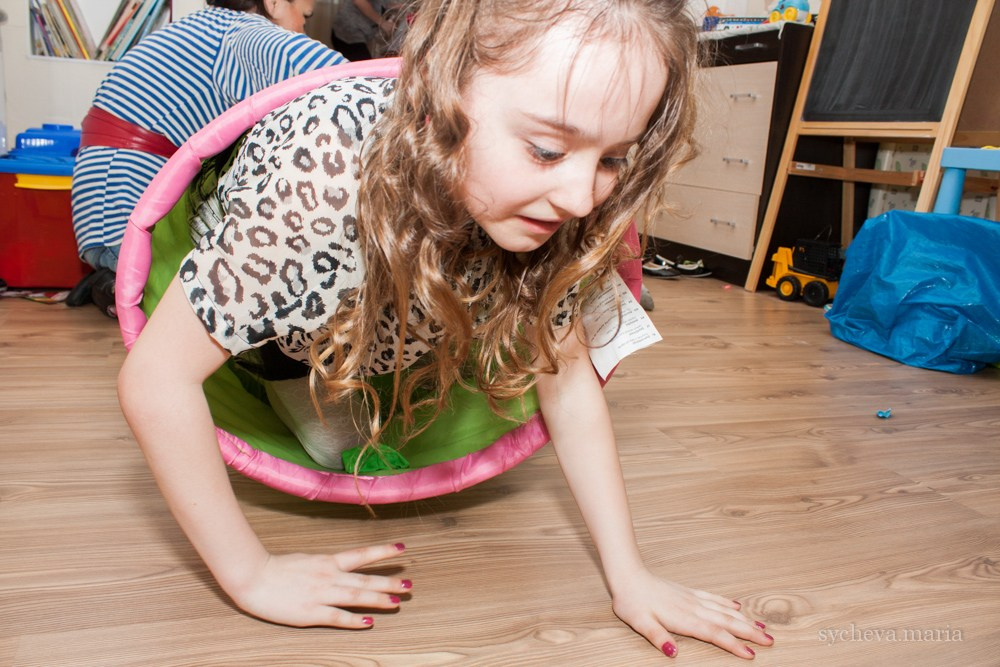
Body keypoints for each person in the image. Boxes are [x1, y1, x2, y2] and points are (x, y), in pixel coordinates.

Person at [118, 0, 775, 660]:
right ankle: (298, 378)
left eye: (612, 159)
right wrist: (250, 575)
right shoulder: (321, 179)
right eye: (547, 149)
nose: (582, 197)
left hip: (409, 311)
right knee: (329, 447)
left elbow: (568, 375)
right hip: (291, 334)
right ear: (442, 86)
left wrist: (629, 575)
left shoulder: (563, 202)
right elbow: (154, 379)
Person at [69, 0, 345, 316]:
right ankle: (126, 285)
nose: (301, 30)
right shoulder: (242, 33)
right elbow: (340, 76)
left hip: (104, 219)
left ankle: (117, 281)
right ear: (274, 3)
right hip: (122, 222)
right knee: (242, 290)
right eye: (305, 19)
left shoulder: (205, 29)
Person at [330, 0, 397, 60]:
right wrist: (382, 22)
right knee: (365, 69)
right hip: (349, 31)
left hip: (356, 33)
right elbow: (359, 1)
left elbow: (381, 3)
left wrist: (398, 6)